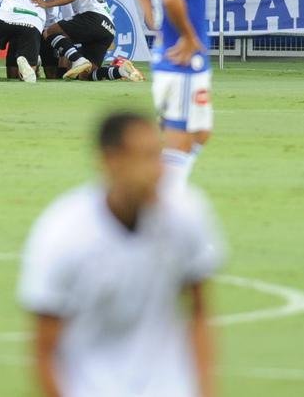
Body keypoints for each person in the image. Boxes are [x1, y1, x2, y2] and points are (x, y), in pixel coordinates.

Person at [18, 111, 224, 397]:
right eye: (146, 157)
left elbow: (199, 311)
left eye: (159, 155)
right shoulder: (62, 233)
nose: (160, 170)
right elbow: (44, 350)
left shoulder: (187, 214)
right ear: (110, 161)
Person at [136, 0, 219, 186]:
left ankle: (163, 190)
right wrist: (187, 37)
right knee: (180, 138)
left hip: (170, 55)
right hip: (181, 60)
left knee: (200, 132)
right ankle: (163, 201)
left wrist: (158, 27)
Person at [33, 0, 144, 83]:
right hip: (109, 27)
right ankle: (121, 71)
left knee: (50, 32)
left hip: (93, 17)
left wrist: (46, 3)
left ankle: (77, 59)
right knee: (86, 75)